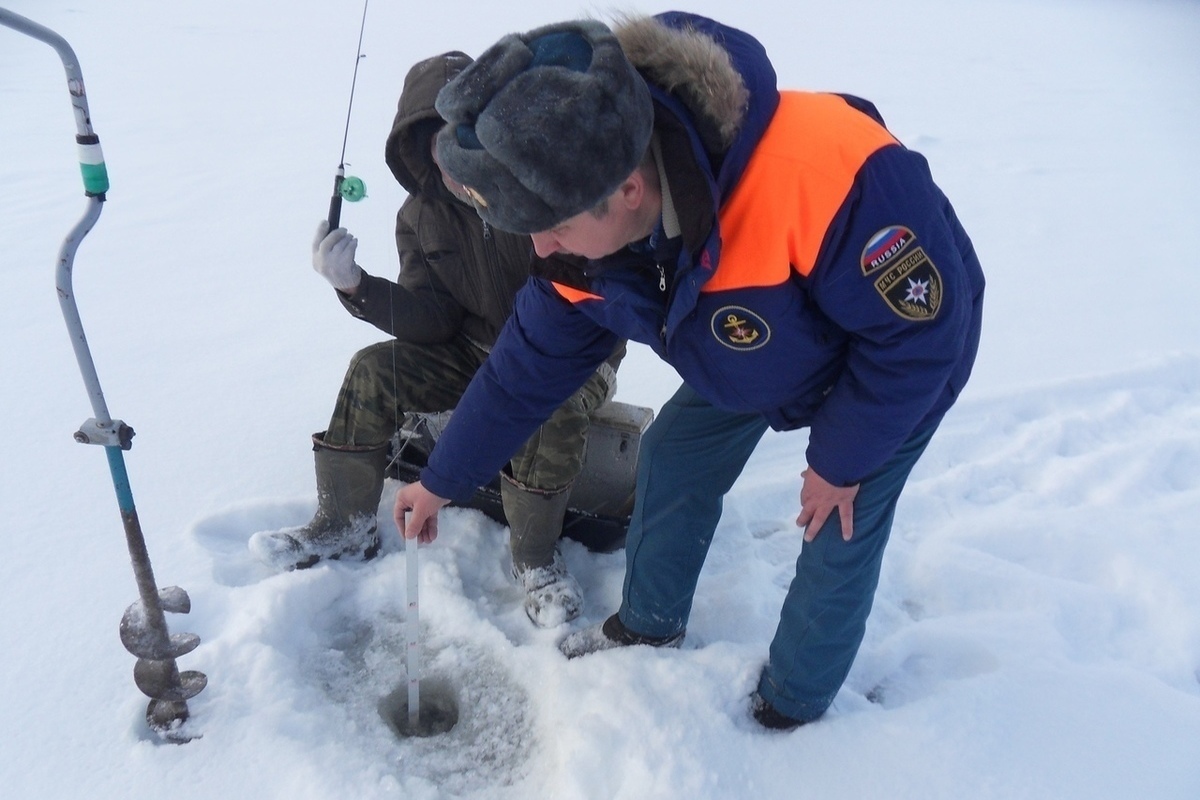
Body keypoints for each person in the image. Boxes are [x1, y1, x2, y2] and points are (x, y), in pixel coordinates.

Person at [394, 14, 985, 730]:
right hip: (754, 347)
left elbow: (919, 336)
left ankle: (792, 706)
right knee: (674, 454)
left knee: (838, 523)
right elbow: (523, 373)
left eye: (553, 225)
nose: (541, 246)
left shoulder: (826, 173)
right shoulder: (581, 248)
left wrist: (841, 459)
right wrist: (442, 480)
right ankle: (647, 625)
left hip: (894, 362)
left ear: (630, 190)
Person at [248, 50, 622, 628]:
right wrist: (358, 287)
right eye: (436, 141)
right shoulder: (420, 216)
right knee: (373, 369)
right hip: (475, 353)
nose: (453, 157)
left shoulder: (540, 185)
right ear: (419, 146)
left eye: (464, 135)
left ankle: (536, 561)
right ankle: (345, 525)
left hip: (573, 356)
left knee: (550, 408)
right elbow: (434, 319)